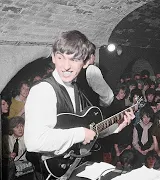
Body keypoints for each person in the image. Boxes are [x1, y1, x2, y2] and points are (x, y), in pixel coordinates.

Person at [24, 30, 134, 171]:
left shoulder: (77, 89)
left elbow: (89, 131)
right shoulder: (44, 90)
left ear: (85, 62)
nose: (66, 66)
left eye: (74, 59)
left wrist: (118, 125)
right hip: (56, 169)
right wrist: (80, 134)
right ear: (53, 57)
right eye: (60, 58)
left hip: (76, 165)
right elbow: (34, 142)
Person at [76, 42, 114, 108]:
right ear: (91, 56)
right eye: (94, 56)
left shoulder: (75, 69)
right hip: (92, 112)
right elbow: (108, 96)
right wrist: (100, 106)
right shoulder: (92, 69)